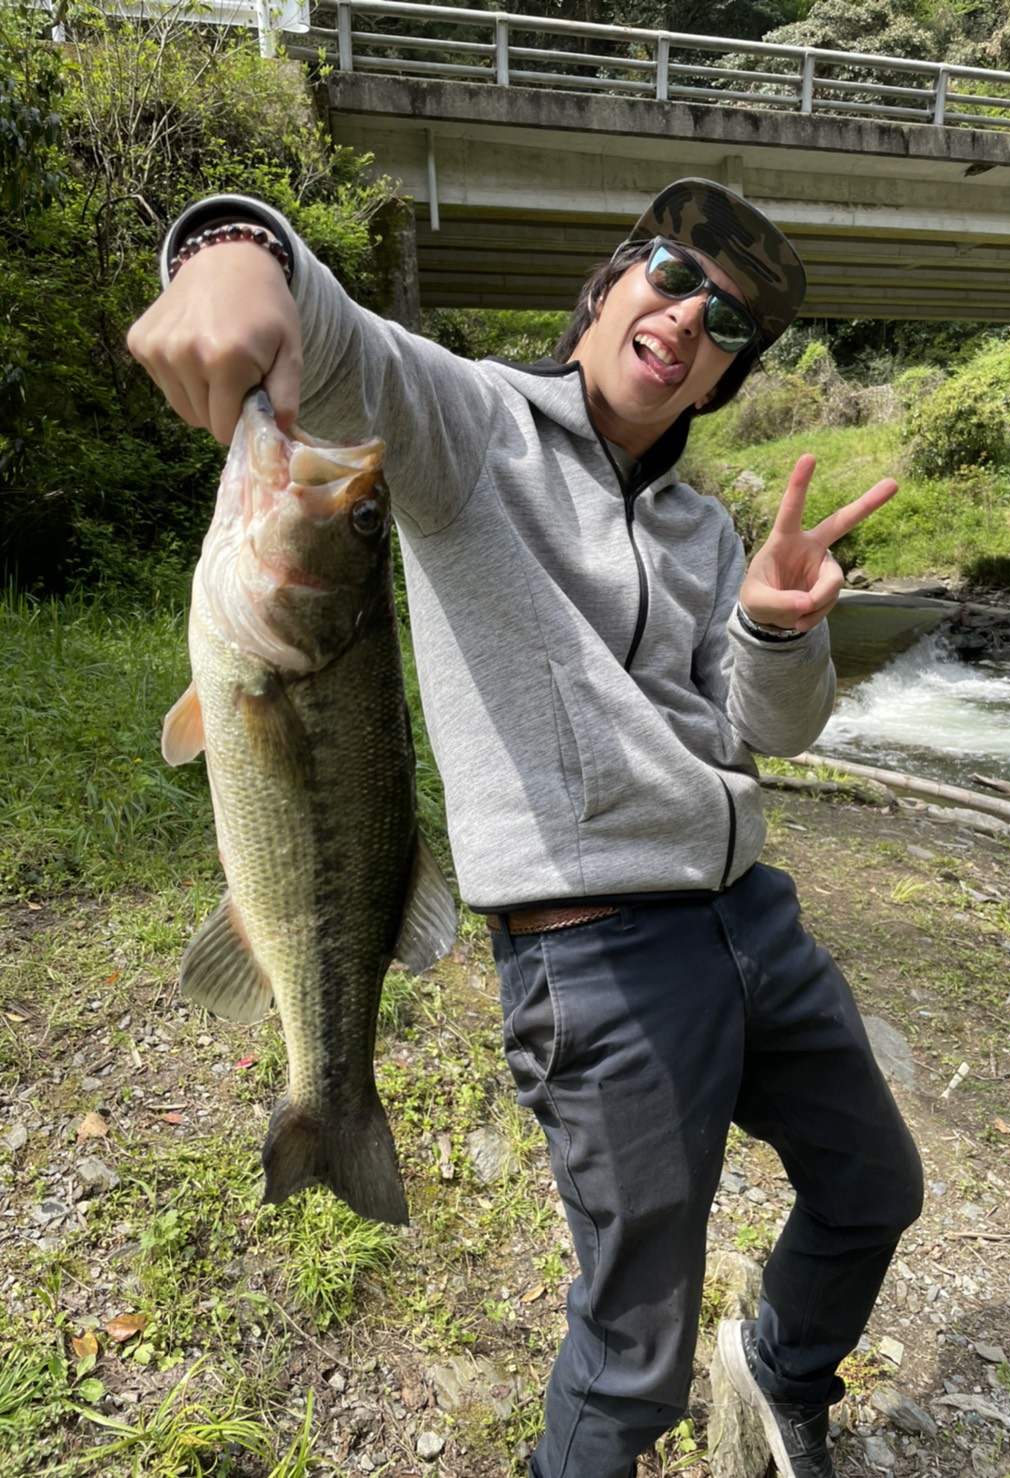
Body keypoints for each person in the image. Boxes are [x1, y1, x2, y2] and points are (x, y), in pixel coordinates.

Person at [129, 177, 924, 1478]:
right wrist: (232, 246)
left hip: (752, 918)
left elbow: (767, 729)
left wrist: (776, 628)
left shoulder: (706, 530)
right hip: (597, 954)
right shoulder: (470, 429)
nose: (691, 317)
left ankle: (779, 1373)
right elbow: (338, 347)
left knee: (875, 1186)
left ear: (724, 378)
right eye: (674, 272)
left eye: (729, 323)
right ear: (611, 281)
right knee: (633, 1353)